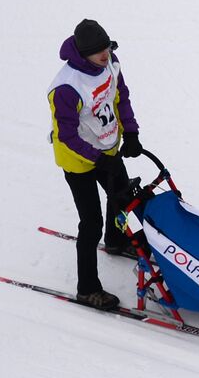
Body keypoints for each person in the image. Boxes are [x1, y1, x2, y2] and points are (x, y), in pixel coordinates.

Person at [48, 19, 144, 310]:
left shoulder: (111, 62)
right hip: (78, 161)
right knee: (91, 224)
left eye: (107, 48)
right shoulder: (67, 88)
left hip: (107, 147)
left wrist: (131, 132)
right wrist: (99, 158)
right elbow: (66, 135)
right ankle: (87, 289)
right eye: (98, 52)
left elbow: (120, 97)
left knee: (123, 198)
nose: (105, 55)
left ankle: (115, 241)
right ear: (82, 54)